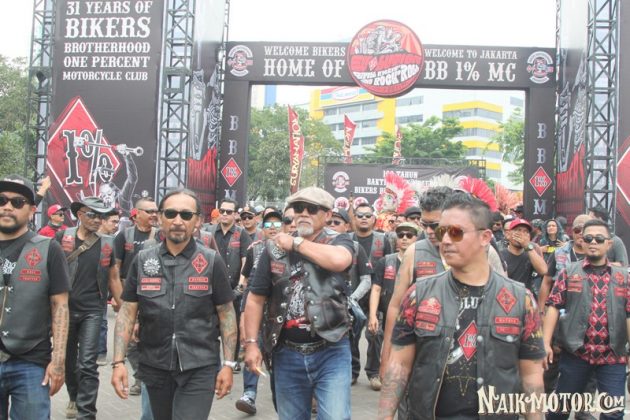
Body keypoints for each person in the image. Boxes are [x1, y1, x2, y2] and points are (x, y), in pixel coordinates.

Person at [379, 193, 545, 419]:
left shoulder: (521, 300)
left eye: (456, 232)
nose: (446, 240)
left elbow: (532, 376)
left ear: (485, 237)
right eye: (442, 232)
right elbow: (399, 366)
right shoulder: (419, 294)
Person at [111, 188, 237, 420]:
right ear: (160, 218)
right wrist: (118, 361)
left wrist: (228, 364)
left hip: (199, 366)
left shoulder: (211, 261)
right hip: (155, 364)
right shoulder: (143, 260)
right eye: (170, 214)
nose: (178, 221)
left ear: (197, 221)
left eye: (186, 215)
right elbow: (127, 312)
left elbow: (226, 313)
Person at [243, 187, 354, 420]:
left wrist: (295, 243)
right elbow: (255, 298)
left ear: (327, 215)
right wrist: (251, 344)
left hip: (331, 350)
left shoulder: (338, 240)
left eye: (311, 209)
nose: (303, 213)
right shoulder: (272, 249)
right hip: (286, 351)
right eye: (298, 208)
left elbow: (339, 260)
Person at [543, 219, 629, 420]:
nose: (593, 242)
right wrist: (545, 343)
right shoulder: (569, 272)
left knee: (614, 413)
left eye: (599, 239)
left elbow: (628, 314)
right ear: (581, 240)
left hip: (613, 356)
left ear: (609, 244)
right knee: (559, 410)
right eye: (588, 238)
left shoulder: (623, 277)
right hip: (576, 352)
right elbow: (554, 306)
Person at [0, 175, 70, 419]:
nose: (7, 207)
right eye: (1, 200)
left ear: (31, 210)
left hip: (30, 361)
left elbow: (60, 305)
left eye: (17, 202)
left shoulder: (49, 249)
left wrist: (58, 361)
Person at [57, 196, 124, 419]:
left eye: (101, 216)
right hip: (64, 311)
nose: (97, 220)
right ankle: (74, 397)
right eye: (92, 215)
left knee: (87, 362)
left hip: (93, 311)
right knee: (68, 360)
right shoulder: (62, 238)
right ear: (79, 215)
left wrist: (125, 309)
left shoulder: (107, 244)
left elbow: (113, 278)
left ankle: (86, 413)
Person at [235, 209, 283, 415]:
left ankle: (283, 398)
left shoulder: (292, 250)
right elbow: (247, 283)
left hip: (280, 316)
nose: (272, 228)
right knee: (252, 349)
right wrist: (243, 317)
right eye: (268, 225)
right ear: (262, 229)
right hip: (257, 313)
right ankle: (249, 394)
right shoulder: (254, 250)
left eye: (277, 224)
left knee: (279, 362)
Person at [113, 198, 160, 396]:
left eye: (156, 211)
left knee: (149, 336)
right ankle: (140, 376)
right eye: (149, 211)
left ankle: (148, 376)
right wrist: (117, 297)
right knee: (130, 341)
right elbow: (115, 268)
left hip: (154, 293)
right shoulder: (124, 235)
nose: (154, 215)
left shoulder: (160, 235)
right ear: (137, 213)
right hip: (129, 292)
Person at [203, 198, 252, 371]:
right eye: (222, 211)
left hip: (232, 289)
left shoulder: (241, 234)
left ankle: (232, 361)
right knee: (210, 327)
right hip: (210, 287)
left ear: (235, 214)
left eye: (228, 212)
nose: (224, 214)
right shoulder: (208, 232)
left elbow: (246, 260)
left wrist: (241, 285)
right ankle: (213, 363)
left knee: (232, 326)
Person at [327, 207, 372, 385]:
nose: (332, 225)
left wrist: (352, 299)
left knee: (351, 340)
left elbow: (366, 279)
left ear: (346, 226)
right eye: (329, 222)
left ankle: (352, 372)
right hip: (324, 306)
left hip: (349, 306)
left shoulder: (355, 248)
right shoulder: (317, 247)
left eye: (336, 222)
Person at [351, 202, 392, 391]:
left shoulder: (383, 240)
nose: (364, 219)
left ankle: (374, 373)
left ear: (374, 219)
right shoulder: (347, 240)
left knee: (375, 334)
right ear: (354, 219)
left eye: (368, 215)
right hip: (353, 296)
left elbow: (390, 266)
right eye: (360, 215)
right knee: (351, 335)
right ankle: (352, 371)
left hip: (376, 297)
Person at [368, 222, 418, 344]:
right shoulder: (385, 261)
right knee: (380, 348)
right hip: (387, 316)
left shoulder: (422, 263)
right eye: (400, 235)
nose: (404, 238)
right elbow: (376, 289)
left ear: (416, 238)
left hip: (413, 318)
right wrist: (372, 315)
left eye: (409, 235)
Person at [96, 209, 121, 367]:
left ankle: (100, 352)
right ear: (103, 221)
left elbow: (114, 272)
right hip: (84, 289)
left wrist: (118, 297)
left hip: (103, 288)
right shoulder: (91, 239)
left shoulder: (112, 241)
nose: (116, 225)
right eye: (113, 221)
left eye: (117, 222)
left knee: (102, 321)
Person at [499, 218, 548, 295]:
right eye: (518, 230)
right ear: (508, 234)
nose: (522, 234)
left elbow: (544, 271)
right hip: (506, 297)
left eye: (526, 232)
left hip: (526, 298)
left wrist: (527, 246)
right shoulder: (500, 256)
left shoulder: (531, 253)